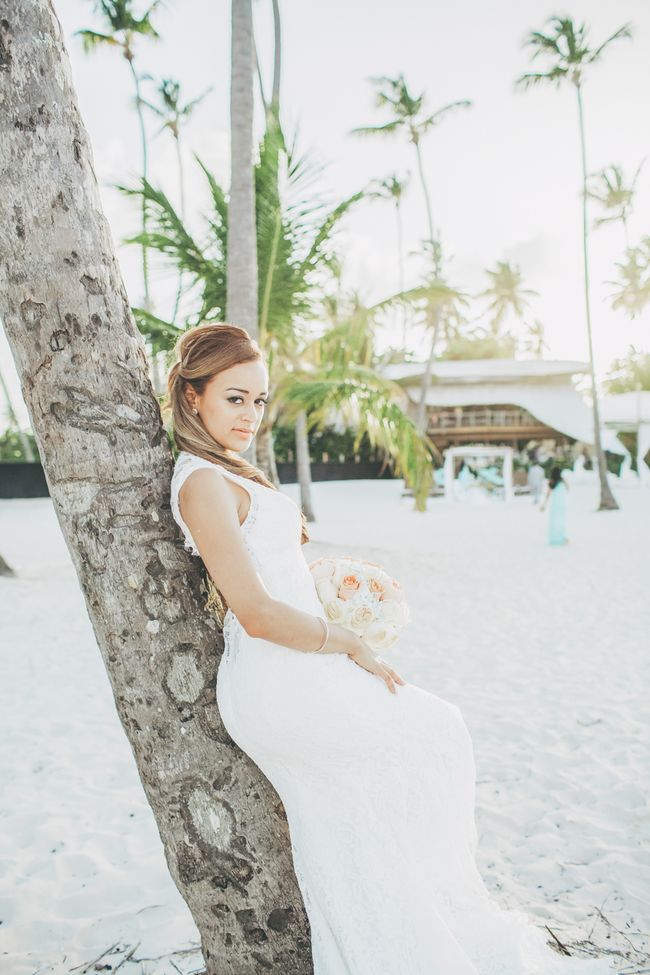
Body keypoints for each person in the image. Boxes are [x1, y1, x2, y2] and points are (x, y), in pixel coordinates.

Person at [168, 323, 614, 974]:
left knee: (412, 760)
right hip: (275, 677)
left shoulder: (228, 470)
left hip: (301, 660)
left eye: (259, 400)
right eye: (234, 398)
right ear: (192, 395)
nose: (251, 414)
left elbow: (276, 572)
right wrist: (346, 639)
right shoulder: (201, 481)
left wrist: (335, 589)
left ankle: (418, 930)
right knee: (423, 740)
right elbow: (256, 612)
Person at [540, 465, 569, 546]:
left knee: (554, 522)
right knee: (561, 522)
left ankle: (554, 538)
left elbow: (548, 494)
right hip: (562, 504)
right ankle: (561, 537)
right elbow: (568, 488)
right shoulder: (562, 481)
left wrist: (544, 504)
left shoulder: (552, 482)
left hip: (555, 505)